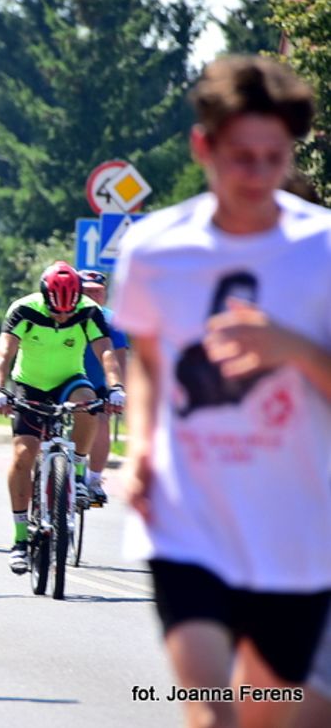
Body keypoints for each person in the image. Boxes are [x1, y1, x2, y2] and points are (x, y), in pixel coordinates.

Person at [112, 55, 331, 728]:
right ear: (203, 146)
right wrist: (143, 444)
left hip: (296, 530)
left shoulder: (320, 249)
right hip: (188, 518)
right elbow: (147, 360)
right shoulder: (153, 249)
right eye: (241, 157)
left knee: (268, 714)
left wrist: (291, 348)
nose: (259, 176)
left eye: (275, 157)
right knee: (211, 712)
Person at [0, 261, 124, 575]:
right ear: (44, 296)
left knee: (90, 403)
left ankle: (77, 470)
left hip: (69, 380)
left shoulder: (89, 311)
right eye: (56, 310)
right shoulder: (24, 310)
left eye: (68, 310)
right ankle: (20, 539)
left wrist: (116, 387)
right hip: (29, 384)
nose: (62, 316)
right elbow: (3, 353)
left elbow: (106, 352)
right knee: (23, 455)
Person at [76, 269, 129, 505]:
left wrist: (118, 390)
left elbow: (120, 360)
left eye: (97, 292)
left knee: (101, 421)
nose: (92, 297)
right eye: (87, 292)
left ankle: (95, 480)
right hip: (64, 380)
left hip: (97, 382)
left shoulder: (112, 321)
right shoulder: (66, 315)